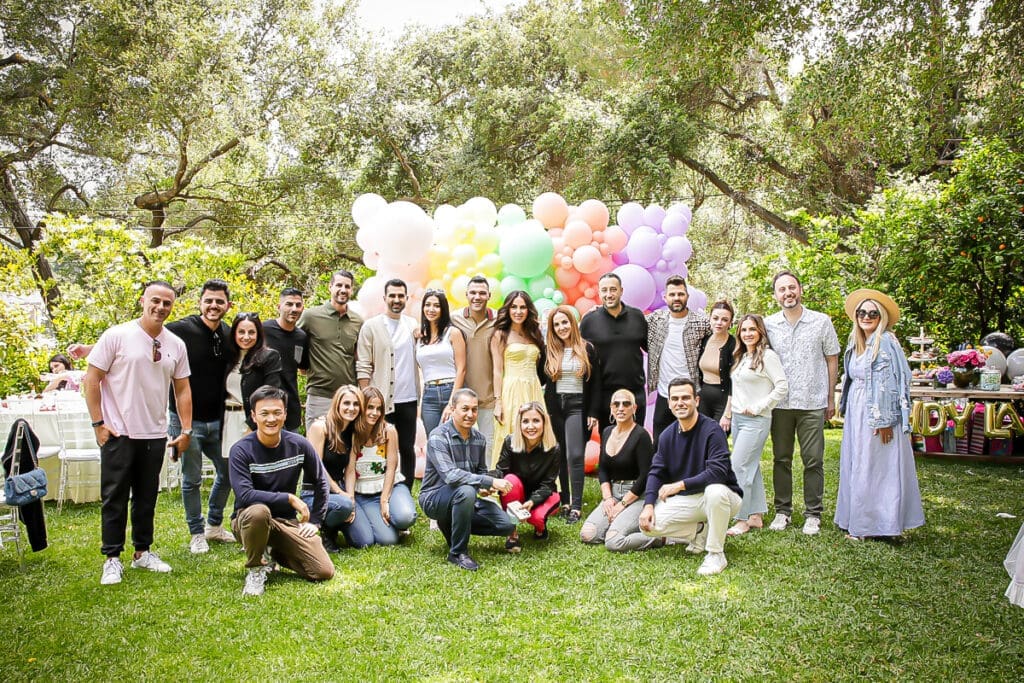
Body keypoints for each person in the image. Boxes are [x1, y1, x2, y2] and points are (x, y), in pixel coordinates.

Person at [83, 280, 193, 585]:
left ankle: (142, 552)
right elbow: (92, 380)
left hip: (155, 433)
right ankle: (112, 558)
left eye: (167, 303)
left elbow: (182, 389)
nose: (160, 307)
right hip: (119, 432)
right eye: (155, 301)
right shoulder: (117, 336)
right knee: (114, 496)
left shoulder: (175, 344)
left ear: (172, 307)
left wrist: (185, 429)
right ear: (142, 300)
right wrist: (98, 424)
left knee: (147, 497)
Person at [228, 385, 334, 597]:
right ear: (253, 416)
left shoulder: (299, 444)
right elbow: (245, 495)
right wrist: (289, 498)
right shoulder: (240, 450)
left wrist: (315, 522)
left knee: (322, 571)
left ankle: (273, 552)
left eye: (277, 412)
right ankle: (256, 568)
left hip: (285, 523)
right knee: (259, 512)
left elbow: (321, 481)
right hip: (248, 519)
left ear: (285, 414)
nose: (271, 419)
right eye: (264, 413)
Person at [835, 290, 924, 540]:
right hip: (857, 412)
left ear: (881, 317)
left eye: (873, 313)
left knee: (875, 467)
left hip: (877, 414)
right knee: (859, 462)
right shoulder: (857, 343)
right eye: (862, 312)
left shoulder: (885, 341)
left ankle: (877, 525)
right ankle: (860, 519)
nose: (867, 316)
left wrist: (885, 420)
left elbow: (894, 382)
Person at [639, 378, 743, 576]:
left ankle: (715, 553)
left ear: (696, 400)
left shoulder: (712, 430)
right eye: (675, 398)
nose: (680, 402)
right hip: (692, 499)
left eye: (686, 397)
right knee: (648, 526)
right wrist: (649, 505)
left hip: (725, 496)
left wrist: (678, 485)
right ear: (668, 403)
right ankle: (699, 531)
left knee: (714, 491)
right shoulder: (667, 435)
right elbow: (656, 471)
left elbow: (717, 473)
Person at [764, 271, 840, 535]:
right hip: (780, 404)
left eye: (791, 287)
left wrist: (830, 398)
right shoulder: (768, 324)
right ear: (776, 296)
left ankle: (813, 514)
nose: (788, 293)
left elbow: (832, 358)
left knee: (813, 460)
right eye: (782, 289)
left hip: (812, 401)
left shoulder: (821, 322)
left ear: (800, 290)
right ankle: (783, 511)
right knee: (781, 459)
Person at [165, 279, 236, 554]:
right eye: (209, 300)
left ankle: (214, 525)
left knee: (228, 471)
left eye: (219, 301)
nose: (213, 306)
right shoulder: (180, 330)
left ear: (227, 305)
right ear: (200, 302)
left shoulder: (228, 334)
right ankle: (196, 532)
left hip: (219, 420)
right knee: (191, 479)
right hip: (186, 422)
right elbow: (146, 335)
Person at [418, 388, 516, 571]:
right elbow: (451, 475)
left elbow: (481, 471)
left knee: (506, 525)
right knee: (466, 491)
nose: (470, 414)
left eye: (474, 409)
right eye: (465, 409)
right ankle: (457, 553)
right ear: (453, 409)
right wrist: (489, 482)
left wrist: (485, 488)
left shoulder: (479, 439)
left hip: (465, 498)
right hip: (434, 498)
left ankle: (451, 522)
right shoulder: (438, 437)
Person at [726, 314, 788, 537]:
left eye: (752, 329)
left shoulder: (768, 356)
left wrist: (761, 405)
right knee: (751, 466)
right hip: (739, 419)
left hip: (757, 420)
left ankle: (740, 519)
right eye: (743, 330)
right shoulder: (742, 356)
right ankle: (755, 516)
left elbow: (782, 386)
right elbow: (737, 390)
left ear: (760, 331)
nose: (748, 334)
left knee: (738, 465)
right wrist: (729, 414)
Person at [356, 278, 420, 486]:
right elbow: (364, 364)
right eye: (392, 295)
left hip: (408, 399)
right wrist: (366, 397)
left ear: (406, 299)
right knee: (379, 446)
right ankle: (380, 488)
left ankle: (406, 490)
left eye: (400, 295)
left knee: (407, 448)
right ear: (384, 298)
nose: (396, 299)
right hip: (381, 400)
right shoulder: (371, 326)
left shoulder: (412, 325)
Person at [580, 389, 660, 552]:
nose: (621, 408)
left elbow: (645, 476)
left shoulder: (641, 435)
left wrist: (622, 505)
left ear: (634, 408)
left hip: (637, 496)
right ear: (611, 408)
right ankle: (619, 526)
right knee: (588, 535)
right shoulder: (607, 432)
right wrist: (608, 499)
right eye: (616, 404)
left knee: (613, 542)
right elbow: (602, 469)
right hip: (614, 494)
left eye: (626, 403)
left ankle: (660, 538)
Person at [543, 305, 600, 523]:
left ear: (572, 323)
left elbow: (595, 384)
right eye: (556, 324)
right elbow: (540, 379)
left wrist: (593, 411)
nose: (561, 327)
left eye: (564, 322)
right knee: (559, 454)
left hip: (577, 406)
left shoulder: (587, 349)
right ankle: (564, 500)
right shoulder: (549, 351)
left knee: (575, 455)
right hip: (555, 407)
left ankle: (576, 506)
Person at [490, 402, 562, 552]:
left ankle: (540, 528)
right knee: (509, 480)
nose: (531, 426)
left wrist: (532, 501)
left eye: (536, 420)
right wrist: (488, 482)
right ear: (519, 424)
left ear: (544, 422)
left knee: (536, 518)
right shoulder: (510, 442)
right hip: (516, 492)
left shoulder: (553, 448)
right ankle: (512, 534)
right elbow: (500, 471)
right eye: (525, 421)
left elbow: (548, 484)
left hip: (542, 493)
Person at [351, 386, 418, 545]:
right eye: (370, 407)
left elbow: (391, 468)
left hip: (391, 487)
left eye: (379, 408)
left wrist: (384, 500)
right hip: (364, 493)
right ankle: (380, 522)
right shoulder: (353, 434)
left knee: (406, 517)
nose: (375, 413)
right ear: (361, 408)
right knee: (388, 539)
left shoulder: (388, 431)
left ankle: (395, 517)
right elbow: (349, 471)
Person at [580, 272, 649, 427]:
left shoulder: (637, 316)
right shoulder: (589, 321)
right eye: (604, 290)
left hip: (635, 393)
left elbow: (651, 347)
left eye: (613, 289)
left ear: (621, 291)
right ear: (599, 292)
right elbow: (579, 356)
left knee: (636, 443)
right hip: (606, 396)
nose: (609, 294)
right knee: (609, 446)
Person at [646, 275, 711, 438]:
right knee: (660, 443)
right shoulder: (655, 320)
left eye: (680, 294)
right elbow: (629, 318)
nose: (676, 298)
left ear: (687, 296)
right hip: (665, 394)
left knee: (692, 441)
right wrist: (600, 309)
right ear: (665, 297)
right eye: (672, 294)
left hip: (691, 393)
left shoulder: (701, 323)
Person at [298, 270, 364, 429]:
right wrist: (301, 364)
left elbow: (359, 358)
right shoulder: (311, 316)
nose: (343, 290)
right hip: (320, 395)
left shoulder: (358, 321)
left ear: (352, 290)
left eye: (347, 286)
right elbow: (294, 339)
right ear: (330, 287)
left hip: (348, 399)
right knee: (317, 448)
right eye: (339, 285)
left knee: (345, 448)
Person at [303, 385, 365, 551]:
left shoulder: (352, 433)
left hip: (340, 493)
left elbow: (350, 470)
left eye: (356, 404)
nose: (351, 408)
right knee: (343, 505)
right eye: (346, 403)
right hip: (314, 492)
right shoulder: (320, 427)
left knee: (361, 540)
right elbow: (317, 468)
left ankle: (336, 523)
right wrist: (340, 493)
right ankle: (325, 531)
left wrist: (351, 497)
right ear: (337, 404)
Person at [490, 290, 545, 465]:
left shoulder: (534, 334)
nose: (518, 311)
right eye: (514, 307)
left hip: (534, 389)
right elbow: (497, 371)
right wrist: (498, 402)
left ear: (529, 310)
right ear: (508, 309)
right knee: (511, 434)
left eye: (522, 307)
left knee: (537, 433)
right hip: (512, 390)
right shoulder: (500, 334)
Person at [451, 275, 498, 453]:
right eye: (473, 293)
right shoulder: (454, 318)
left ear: (489, 296)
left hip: (489, 396)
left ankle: (487, 480)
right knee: (460, 445)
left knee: (488, 445)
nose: (477, 297)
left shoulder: (499, 320)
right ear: (466, 295)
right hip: (463, 395)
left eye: (482, 293)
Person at [223, 312, 283, 450]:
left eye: (251, 332)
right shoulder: (227, 358)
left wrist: (252, 427)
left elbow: (271, 394)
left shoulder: (269, 357)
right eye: (241, 332)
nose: (246, 337)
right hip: (227, 422)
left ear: (258, 334)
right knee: (227, 470)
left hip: (253, 422)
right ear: (234, 334)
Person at [416, 288, 467, 438]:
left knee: (452, 440)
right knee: (433, 441)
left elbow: (462, 369)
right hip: (429, 394)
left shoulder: (453, 333)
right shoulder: (420, 337)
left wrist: (452, 403)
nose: (431, 309)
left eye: (436, 306)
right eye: (428, 305)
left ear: (443, 309)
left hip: (450, 389)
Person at [262, 287, 309, 431]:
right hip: (266, 405)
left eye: (298, 305)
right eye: (289, 304)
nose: (294, 309)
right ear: (279, 307)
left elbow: (303, 369)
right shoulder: (263, 330)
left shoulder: (301, 337)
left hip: (291, 407)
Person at [697, 300, 736, 431]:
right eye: (715, 318)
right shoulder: (704, 340)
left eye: (724, 320)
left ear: (730, 322)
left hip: (724, 400)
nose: (719, 322)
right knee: (701, 440)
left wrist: (728, 414)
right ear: (710, 318)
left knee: (718, 440)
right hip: (703, 398)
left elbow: (735, 381)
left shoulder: (734, 345)